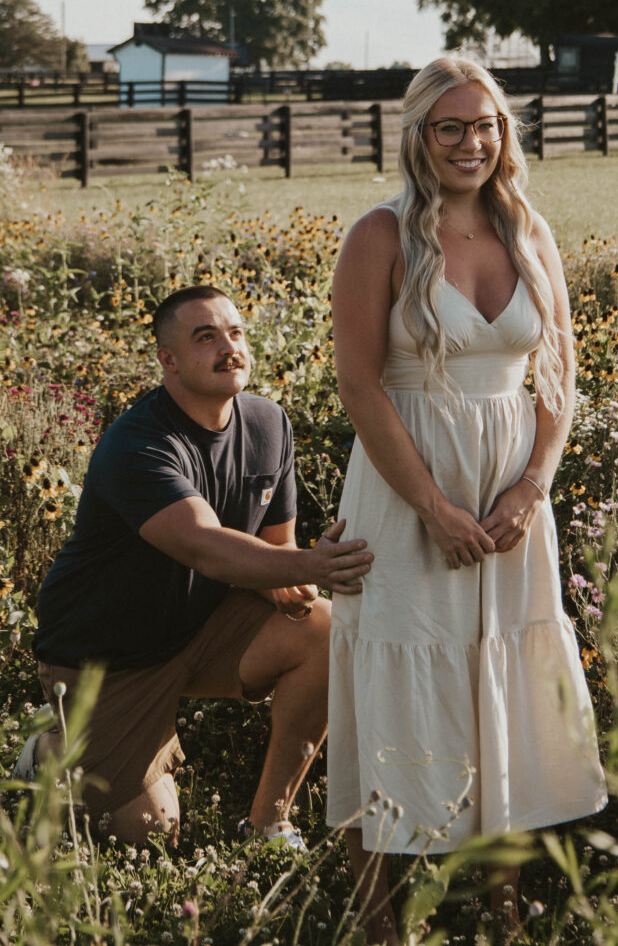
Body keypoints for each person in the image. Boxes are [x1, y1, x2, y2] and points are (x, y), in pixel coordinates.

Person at [327, 57, 607, 942]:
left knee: (502, 700)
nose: (470, 143)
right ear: (416, 135)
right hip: (408, 494)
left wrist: (530, 488)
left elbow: (560, 373)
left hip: (511, 508)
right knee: (401, 694)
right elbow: (360, 386)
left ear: (503, 132)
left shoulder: (528, 229)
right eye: (450, 127)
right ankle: (381, 926)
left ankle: (503, 918)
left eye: (484, 125)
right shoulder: (380, 235)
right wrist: (431, 508)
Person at [17, 285, 373, 847]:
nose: (228, 347)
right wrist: (317, 563)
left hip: (200, 628)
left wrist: (297, 576)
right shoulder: (137, 444)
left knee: (325, 629)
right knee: (150, 835)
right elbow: (204, 545)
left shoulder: (268, 424)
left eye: (235, 333)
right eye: (205, 337)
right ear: (169, 360)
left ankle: (268, 824)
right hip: (106, 661)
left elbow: (278, 552)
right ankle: (46, 753)